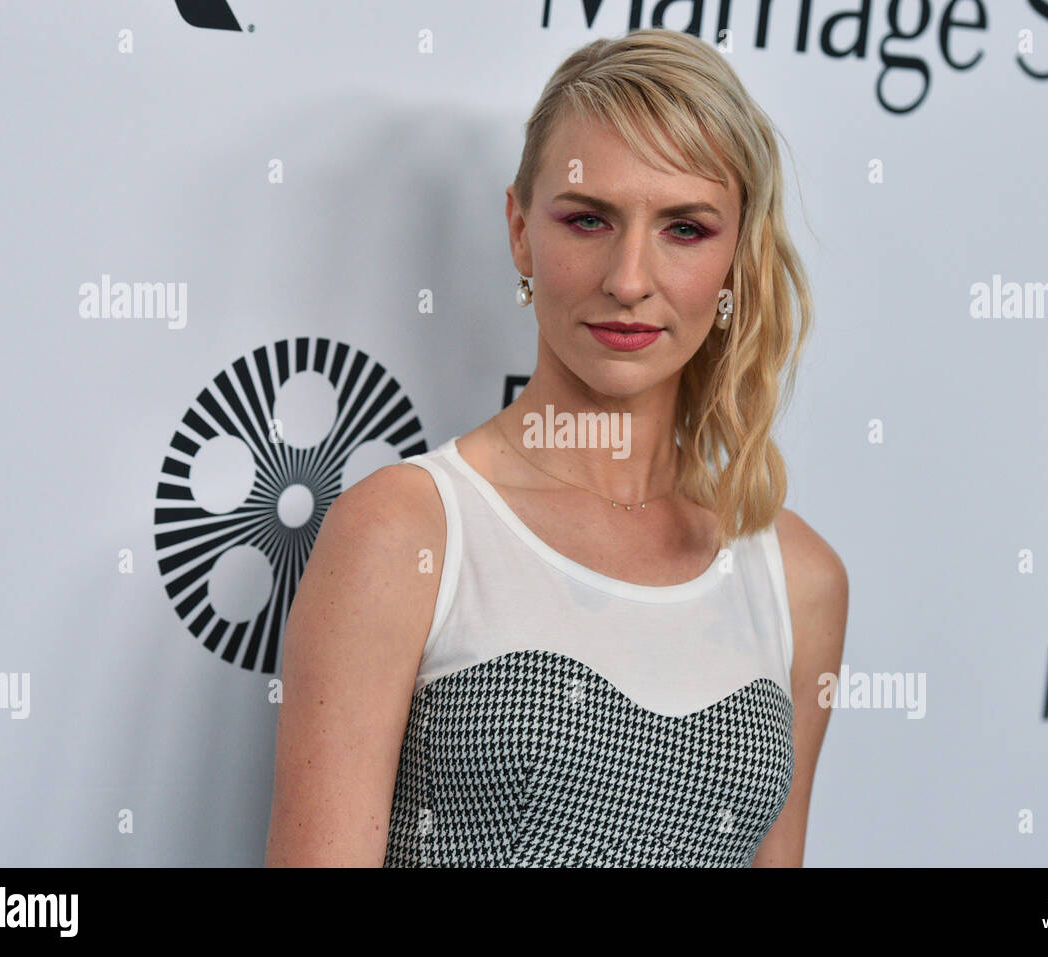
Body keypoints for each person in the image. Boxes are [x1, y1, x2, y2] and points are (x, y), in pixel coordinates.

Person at [265, 27, 847, 868]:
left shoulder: (800, 579)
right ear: (519, 230)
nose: (628, 278)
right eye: (588, 219)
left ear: (736, 259)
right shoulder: (406, 532)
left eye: (685, 228)